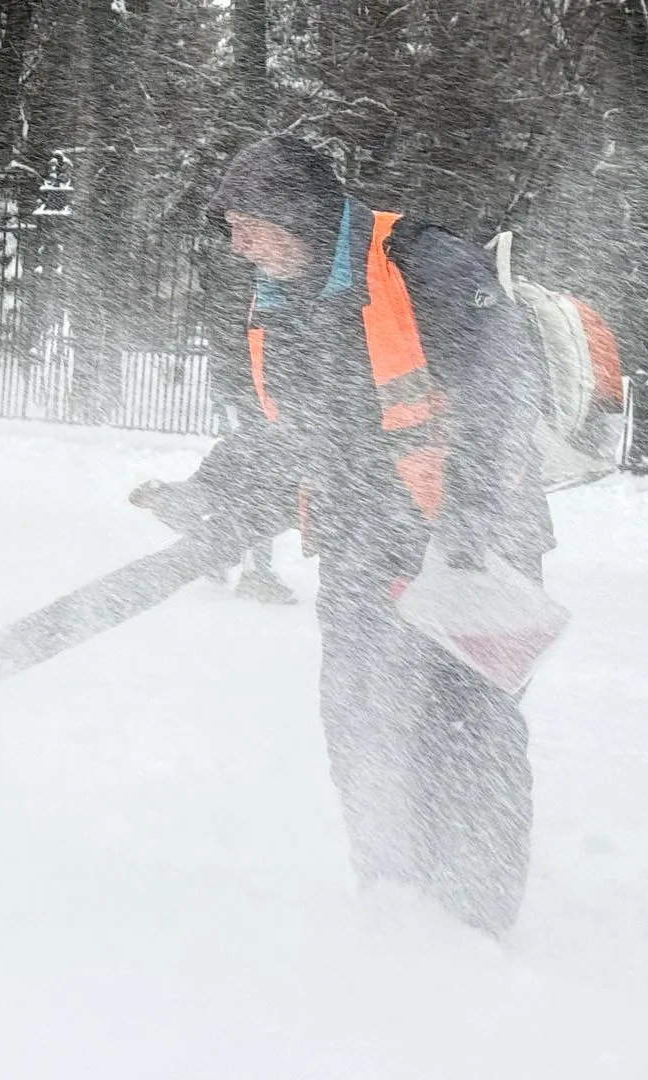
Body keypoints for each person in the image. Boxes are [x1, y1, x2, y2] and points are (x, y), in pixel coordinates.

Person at [132, 134, 555, 937]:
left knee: (468, 730)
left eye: (250, 223)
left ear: (302, 215)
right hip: (368, 539)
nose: (237, 243)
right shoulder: (284, 298)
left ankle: (473, 918)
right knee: (364, 716)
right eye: (230, 225)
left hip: (479, 542)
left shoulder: (425, 265)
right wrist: (208, 496)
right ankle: (393, 898)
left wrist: (462, 529)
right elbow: (285, 429)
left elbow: (504, 391)